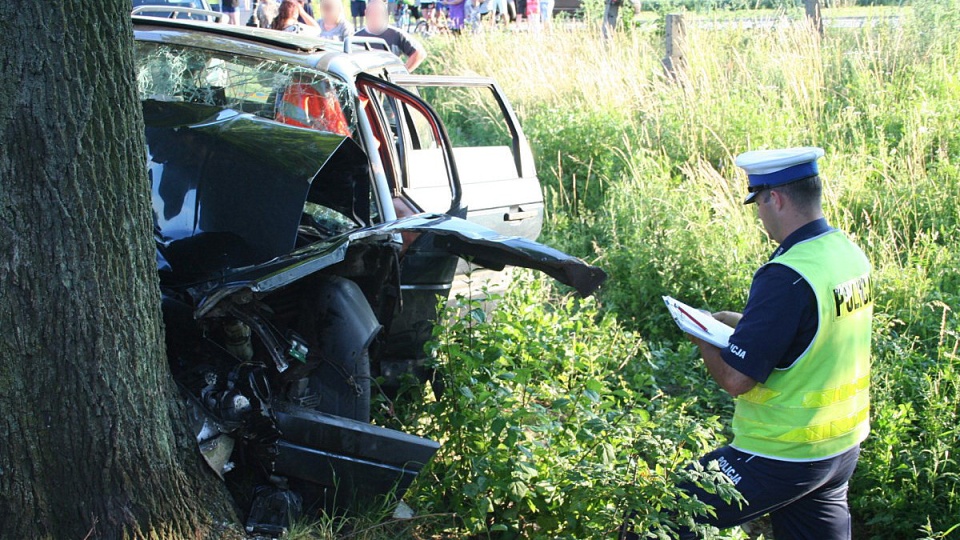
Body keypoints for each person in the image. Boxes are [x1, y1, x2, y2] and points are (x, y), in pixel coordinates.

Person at [621, 147, 873, 540]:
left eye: (757, 202)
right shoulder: (846, 254)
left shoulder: (786, 273)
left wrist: (700, 333)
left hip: (779, 454)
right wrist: (741, 324)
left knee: (654, 517)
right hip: (838, 448)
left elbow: (737, 379)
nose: (759, 215)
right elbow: (815, 331)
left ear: (775, 198)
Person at [355, 0, 427, 72]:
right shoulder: (356, 38)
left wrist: (404, 72)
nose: (375, 17)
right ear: (366, 13)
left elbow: (419, 53)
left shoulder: (396, 34)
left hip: (388, 80)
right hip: (363, 80)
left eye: (378, 14)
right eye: (372, 13)